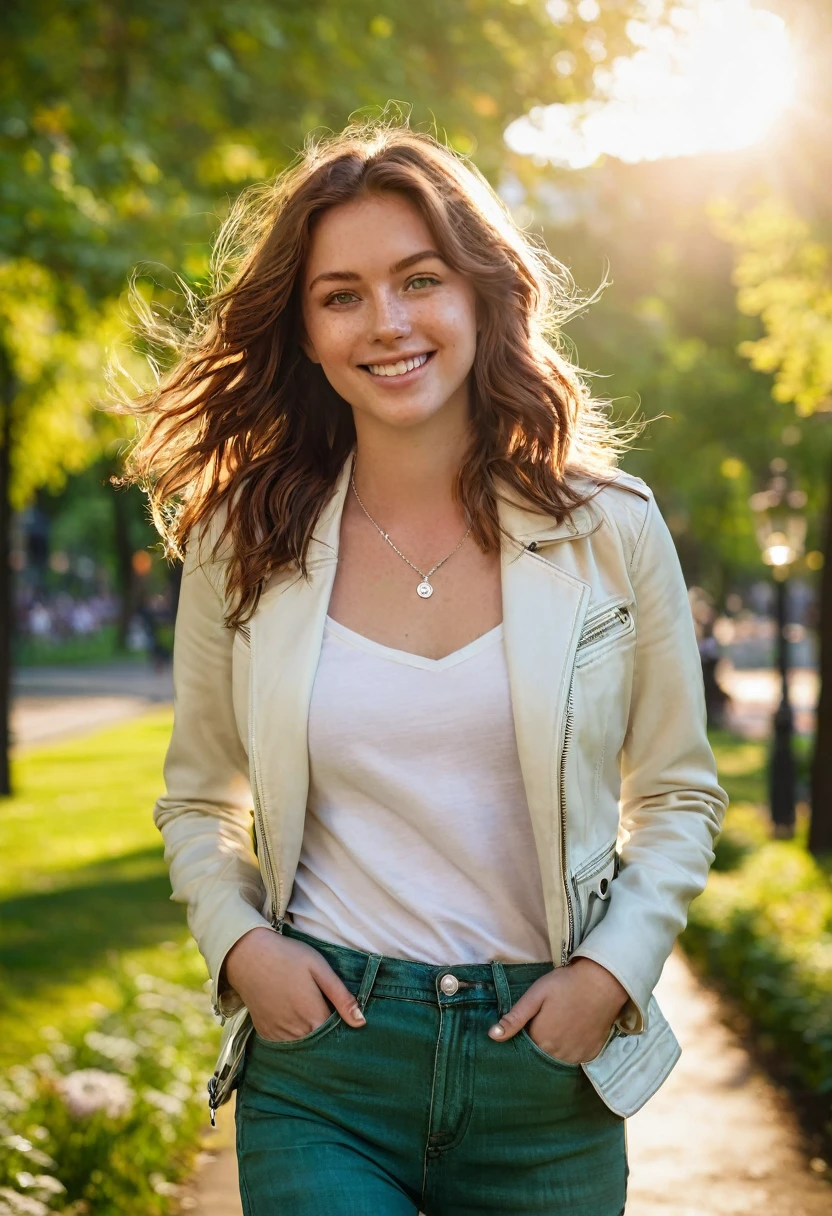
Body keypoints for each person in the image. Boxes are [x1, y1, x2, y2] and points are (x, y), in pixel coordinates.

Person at [123, 117, 728, 1216]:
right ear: (304, 331)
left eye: (418, 280)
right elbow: (199, 795)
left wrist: (608, 976)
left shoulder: (609, 527)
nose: (386, 323)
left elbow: (679, 791)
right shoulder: (238, 538)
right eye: (341, 294)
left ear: (481, 297)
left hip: (543, 1075)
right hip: (324, 1068)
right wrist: (241, 945)